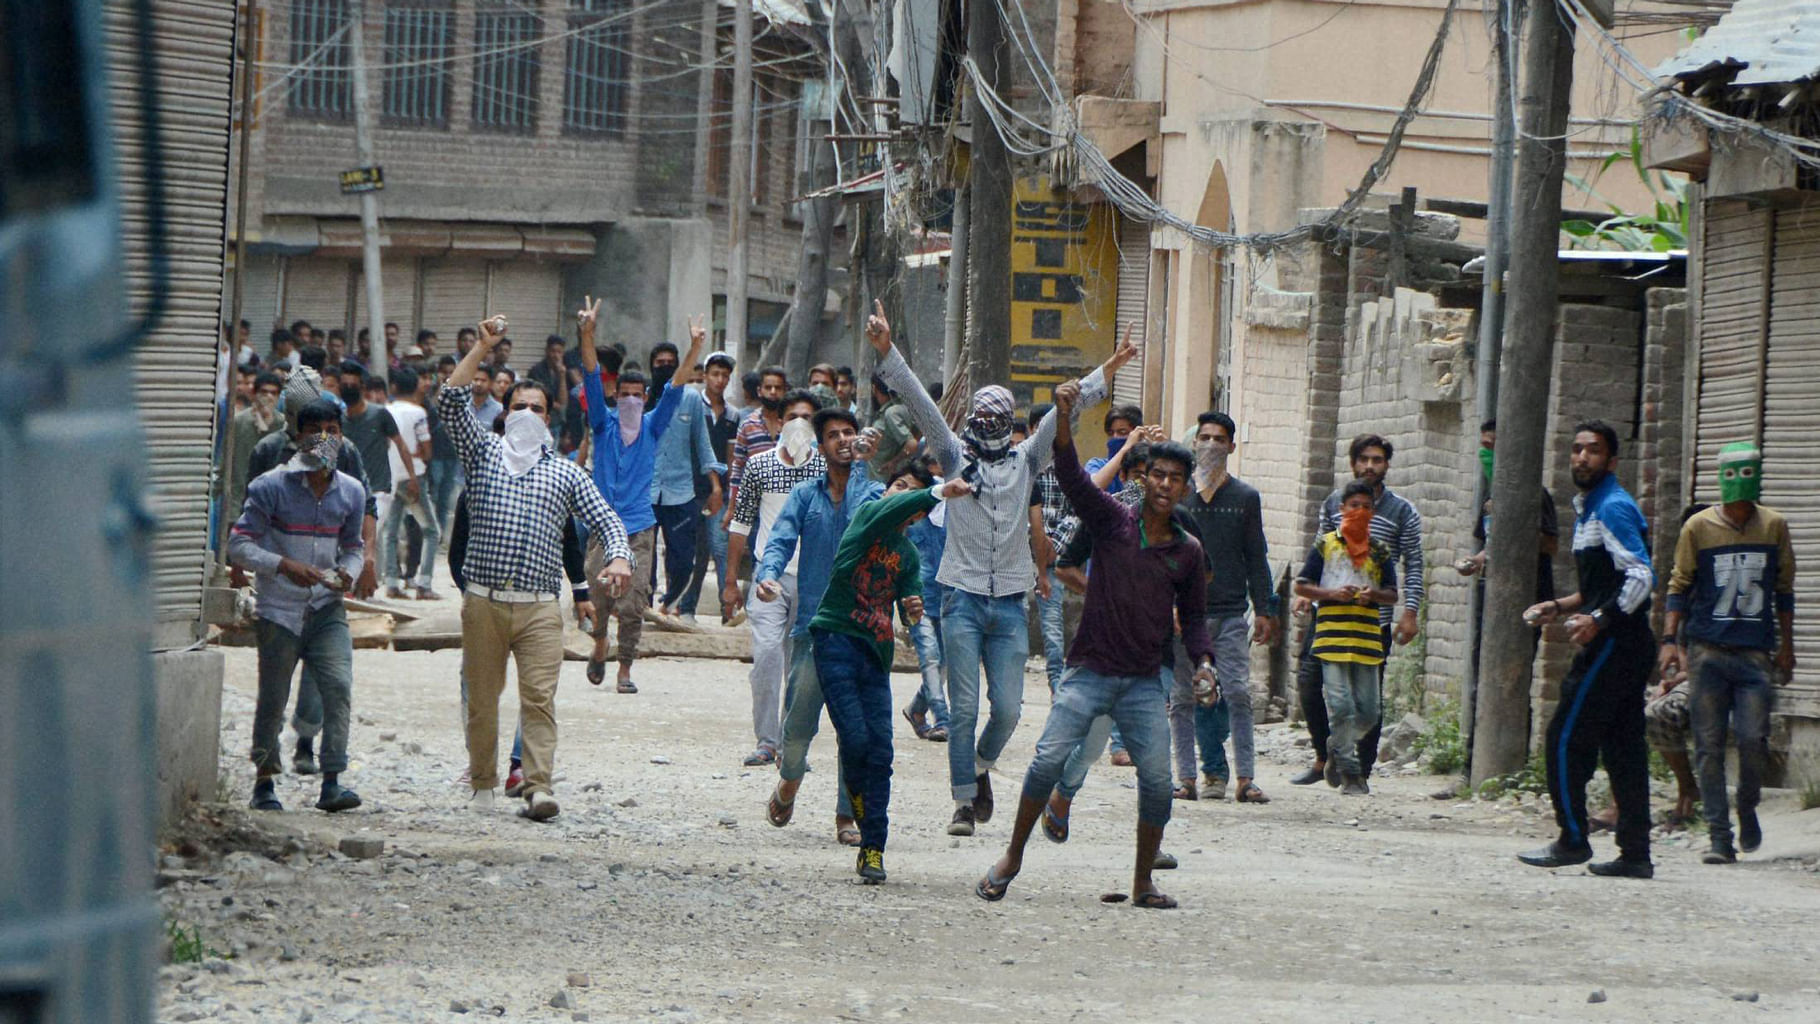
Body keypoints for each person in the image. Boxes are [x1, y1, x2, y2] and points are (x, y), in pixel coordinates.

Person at [869, 305, 1137, 836]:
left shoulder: (1027, 461)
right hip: (962, 598)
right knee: (963, 708)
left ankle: (982, 765)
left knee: (1010, 710)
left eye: (998, 420)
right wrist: (887, 353)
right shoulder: (952, 456)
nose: (989, 428)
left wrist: (1108, 369)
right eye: (982, 420)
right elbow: (922, 407)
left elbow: (1062, 410)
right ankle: (963, 802)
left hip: (1011, 601)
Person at [975, 379, 1213, 909]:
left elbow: (1194, 620)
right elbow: (1071, 479)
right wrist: (1064, 420)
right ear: (1143, 477)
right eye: (1158, 475)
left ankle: (1142, 882)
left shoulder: (1189, 551)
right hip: (1089, 671)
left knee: (1155, 782)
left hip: (1145, 683)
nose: (1166, 485)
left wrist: (1203, 663)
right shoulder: (1111, 522)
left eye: (1176, 478)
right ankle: (1012, 855)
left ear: (1185, 487)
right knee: (1045, 762)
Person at [442, 314, 631, 821]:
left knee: (540, 700)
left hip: (540, 608)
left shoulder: (565, 473)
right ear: (504, 414)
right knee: (482, 700)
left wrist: (617, 556)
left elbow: (606, 519)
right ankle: (482, 782)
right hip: (483, 601)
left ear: (549, 418)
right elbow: (450, 399)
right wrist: (482, 347)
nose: (528, 412)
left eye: (537, 408)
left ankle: (537, 785)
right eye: (519, 406)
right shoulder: (480, 453)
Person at [812, 469, 970, 883]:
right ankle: (860, 822)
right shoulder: (866, 517)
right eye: (899, 485)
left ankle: (873, 847)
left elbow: (906, 603)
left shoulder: (908, 554)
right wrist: (935, 492)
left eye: (911, 492)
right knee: (856, 740)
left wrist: (912, 608)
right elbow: (895, 506)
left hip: (875, 654)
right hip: (835, 639)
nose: (904, 495)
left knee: (881, 752)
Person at [1517, 420, 1656, 878]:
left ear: (1611, 461)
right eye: (1576, 449)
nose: (1581, 457)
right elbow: (1604, 585)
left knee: (1564, 737)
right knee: (1623, 747)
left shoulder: (1612, 508)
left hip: (1617, 643)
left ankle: (1573, 837)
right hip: (1624, 641)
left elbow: (1640, 577)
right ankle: (1635, 853)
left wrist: (1599, 621)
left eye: (1593, 451)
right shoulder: (1589, 508)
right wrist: (1559, 605)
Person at [1660, 443, 1796, 864]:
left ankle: (1748, 806)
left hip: (1756, 654)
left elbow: (1784, 590)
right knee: (1709, 744)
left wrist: (1788, 646)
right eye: (1731, 475)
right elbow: (1679, 585)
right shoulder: (1698, 528)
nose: (1738, 485)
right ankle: (1720, 836)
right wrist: (1670, 641)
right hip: (1707, 651)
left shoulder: (1773, 526)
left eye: (1746, 474)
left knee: (1754, 740)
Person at [228, 398, 366, 814]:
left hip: (326, 607)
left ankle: (332, 780)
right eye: (315, 430)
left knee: (338, 687)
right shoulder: (271, 486)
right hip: (279, 611)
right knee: (273, 696)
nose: (325, 438)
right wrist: (282, 565)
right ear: (299, 436)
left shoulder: (352, 491)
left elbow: (354, 547)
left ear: (341, 436)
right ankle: (265, 780)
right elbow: (239, 545)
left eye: (332, 429)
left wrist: (349, 573)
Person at [755, 406, 881, 847]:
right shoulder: (805, 496)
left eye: (851, 432)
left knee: (857, 731)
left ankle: (847, 815)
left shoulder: (873, 491)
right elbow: (781, 538)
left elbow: (864, 523)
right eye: (835, 435)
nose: (845, 440)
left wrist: (865, 467)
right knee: (798, 727)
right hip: (813, 631)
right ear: (820, 446)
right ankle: (789, 781)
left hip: (861, 631)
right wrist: (768, 575)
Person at [578, 301, 706, 693]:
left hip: (639, 527)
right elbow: (590, 374)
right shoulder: (602, 424)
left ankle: (624, 669)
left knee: (633, 602)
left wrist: (695, 349)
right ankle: (600, 642)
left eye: (638, 395)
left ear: (645, 397)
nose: (631, 400)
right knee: (599, 596)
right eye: (624, 395)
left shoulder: (652, 425)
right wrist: (587, 334)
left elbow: (677, 386)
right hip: (602, 525)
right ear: (616, 396)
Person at [1290, 433, 1425, 787]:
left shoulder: (1401, 512)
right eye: (1364, 459)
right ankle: (1327, 756)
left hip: (1371, 622)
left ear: (1387, 465)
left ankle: (1358, 772)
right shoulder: (1335, 503)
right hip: (1329, 617)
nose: (1370, 466)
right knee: (1309, 683)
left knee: (1368, 700)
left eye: (1377, 460)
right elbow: (1319, 551)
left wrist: (1410, 612)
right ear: (1352, 463)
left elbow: (1413, 564)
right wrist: (1310, 594)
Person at [1171, 410, 1280, 803]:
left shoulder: (1245, 498)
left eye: (1220, 439)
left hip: (1232, 612)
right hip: (1186, 614)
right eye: (1205, 438)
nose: (1212, 445)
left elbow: (1256, 555)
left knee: (1236, 692)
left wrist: (1264, 608)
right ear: (1194, 442)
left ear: (1232, 446)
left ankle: (1245, 779)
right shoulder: (1178, 496)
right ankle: (1186, 778)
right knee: (1183, 697)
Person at [724, 391, 824, 766]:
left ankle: (792, 743)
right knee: (766, 656)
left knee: (802, 668)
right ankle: (767, 740)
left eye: (807, 416)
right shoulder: (759, 466)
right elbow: (741, 523)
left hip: (813, 580)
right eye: (793, 415)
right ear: (779, 423)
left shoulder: (826, 470)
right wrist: (731, 581)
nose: (800, 423)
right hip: (770, 576)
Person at [1293, 481, 1397, 795]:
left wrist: (1373, 595)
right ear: (1342, 509)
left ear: (1373, 512)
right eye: (1354, 506)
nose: (1360, 512)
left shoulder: (1379, 551)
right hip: (1331, 638)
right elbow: (1301, 585)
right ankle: (1350, 772)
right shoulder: (1326, 545)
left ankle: (1337, 744)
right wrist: (1331, 594)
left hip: (1367, 640)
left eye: (1366, 507)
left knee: (1368, 711)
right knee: (1339, 706)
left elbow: (1392, 594)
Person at [649, 340, 725, 621]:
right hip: (646, 489)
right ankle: (644, 606)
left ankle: (671, 604)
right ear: (651, 367)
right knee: (645, 554)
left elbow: (703, 444)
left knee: (682, 555)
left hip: (681, 491)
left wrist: (715, 485)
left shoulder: (691, 399)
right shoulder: (643, 398)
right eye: (660, 363)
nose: (666, 367)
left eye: (672, 362)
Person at [684, 352, 741, 621]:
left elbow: (731, 456)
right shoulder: (694, 406)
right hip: (690, 488)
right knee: (693, 551)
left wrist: (728, 493)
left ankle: (726, 610)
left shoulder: (733, 415)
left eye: (725, 376)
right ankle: (686, 607)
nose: (720, 380)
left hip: (719, 493)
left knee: (720, 547)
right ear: (705, 376)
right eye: (715, 374)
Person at [899, 458, 952, 743]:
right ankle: (942, 718)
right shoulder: (912, 512)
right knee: (931, 658)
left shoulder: (957, 510)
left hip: (950, 598)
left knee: (945, 662)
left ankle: (917, 710)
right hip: (916, 599)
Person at [380, 366, 440, 599]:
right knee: (432, 530)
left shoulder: (384, 410)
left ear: (393, 387)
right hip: (413, 477)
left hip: (390, 477)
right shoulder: (418, 413)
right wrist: (416, 456)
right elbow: (427, 451)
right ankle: (424, 584)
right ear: (415, 386)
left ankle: (392, 582)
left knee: (391, 531)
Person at [724, 365, 789, 525]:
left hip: (788, 506)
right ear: (759, 391)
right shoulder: (748, 424)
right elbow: (738, 469)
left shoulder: (793, 424)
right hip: (756, 507)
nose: (773, 392)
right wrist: (732, 508)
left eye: (778, 388)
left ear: (785, 391)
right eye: (768, 387)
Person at [219, 370, 284, 520]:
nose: (268, 397)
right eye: (264, 392)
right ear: (254, 394)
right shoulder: (238, 422)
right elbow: (224, 461)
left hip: (272, 504)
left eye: (273, 393)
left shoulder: (282, 425)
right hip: (238, 502)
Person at [1085, 404, 1143, 493]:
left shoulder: (1144, 467)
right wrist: (1125, 448)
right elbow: (1093, 488)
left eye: (1122, 432)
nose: (1115, 437)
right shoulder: (1097, 465)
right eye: (1111, 433)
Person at [529, 334, 570, 412]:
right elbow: (537, 394)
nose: (556, 355)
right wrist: (554, 404)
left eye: (559, 352)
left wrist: (562, 376)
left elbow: (563, 401)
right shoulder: (537, 370)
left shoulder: (563, 371)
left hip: (558, 417)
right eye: (553, 351)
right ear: (547, 351)